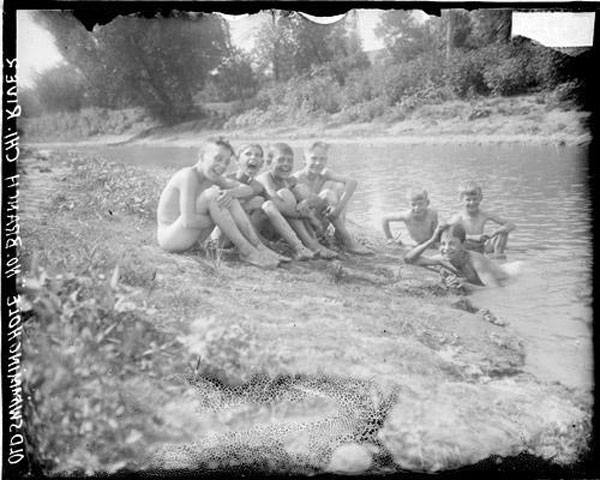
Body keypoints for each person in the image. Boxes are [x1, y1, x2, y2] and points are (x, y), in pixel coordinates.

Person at [156, 137, 285, 269]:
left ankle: (259, 247)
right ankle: (247, 251)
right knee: (213, 195)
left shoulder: (213, 177)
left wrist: (231, 193)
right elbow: (188, 221)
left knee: (228, 197)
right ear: (202, 156)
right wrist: (221, 218)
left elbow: (247, 189)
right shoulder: (188, 175)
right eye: (217, 159)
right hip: (171, 239)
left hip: (191, 240)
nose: (223, 166)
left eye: (226, 162)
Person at [224, 143, 315, 261]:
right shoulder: (226, 180)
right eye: (248, 154)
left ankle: (299, 247)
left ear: (261, 163)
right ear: (237, 160)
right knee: (259, 202)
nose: (253, 158)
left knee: (264, 202)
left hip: (246, 231)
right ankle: (262, 247)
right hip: (224, 233)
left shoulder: (257, 186)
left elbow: (274, 205)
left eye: (257, 155)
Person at [256, 142, 338, 259]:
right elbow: (276, 203)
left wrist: (306, 203)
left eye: (289, 161)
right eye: (281, 160)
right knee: (286, 195)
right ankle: (306, 246)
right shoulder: (265, 178)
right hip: (266, 228)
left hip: (284, 228)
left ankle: (313, 241)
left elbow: (314, 198)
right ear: (269, 162)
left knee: (301, 190)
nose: (286, 164)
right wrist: (308, 216)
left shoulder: (290, 180)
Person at [293, 141, 371, 254]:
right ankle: (347, 240)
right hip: (306, 225)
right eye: (313, 158)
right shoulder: (297, 178)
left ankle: (340, 233)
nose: (318, 163)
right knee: (326, 194)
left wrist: (338, 209)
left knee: (339, 187)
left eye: (322, 159)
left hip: (320, 223)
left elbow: (352, 182)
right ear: (304, 159)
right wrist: (313, 202)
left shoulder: (324, 174)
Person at [404, 222, 511, 288]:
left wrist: (466, 285)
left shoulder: (476, 262)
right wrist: (431, 240)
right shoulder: (442, 259)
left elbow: (495, 289)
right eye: (443, 244)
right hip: (494, 272)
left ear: (463, 245)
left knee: (498, 254)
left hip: (508, 277)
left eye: (452, 244)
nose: (446, 249)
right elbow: (409, 259)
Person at [450, 181, 515, 259]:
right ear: (461, 199)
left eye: (475, 199)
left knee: (503, 232)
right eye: (468, 200)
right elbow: (448, 236)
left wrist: (497, 231)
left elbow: (511, 224)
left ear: (480, 198)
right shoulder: (458, 218)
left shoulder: (484, 214)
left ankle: (498, 257)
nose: (472, 203)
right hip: (466, 248)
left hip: (482, 247)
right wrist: (476, 237)